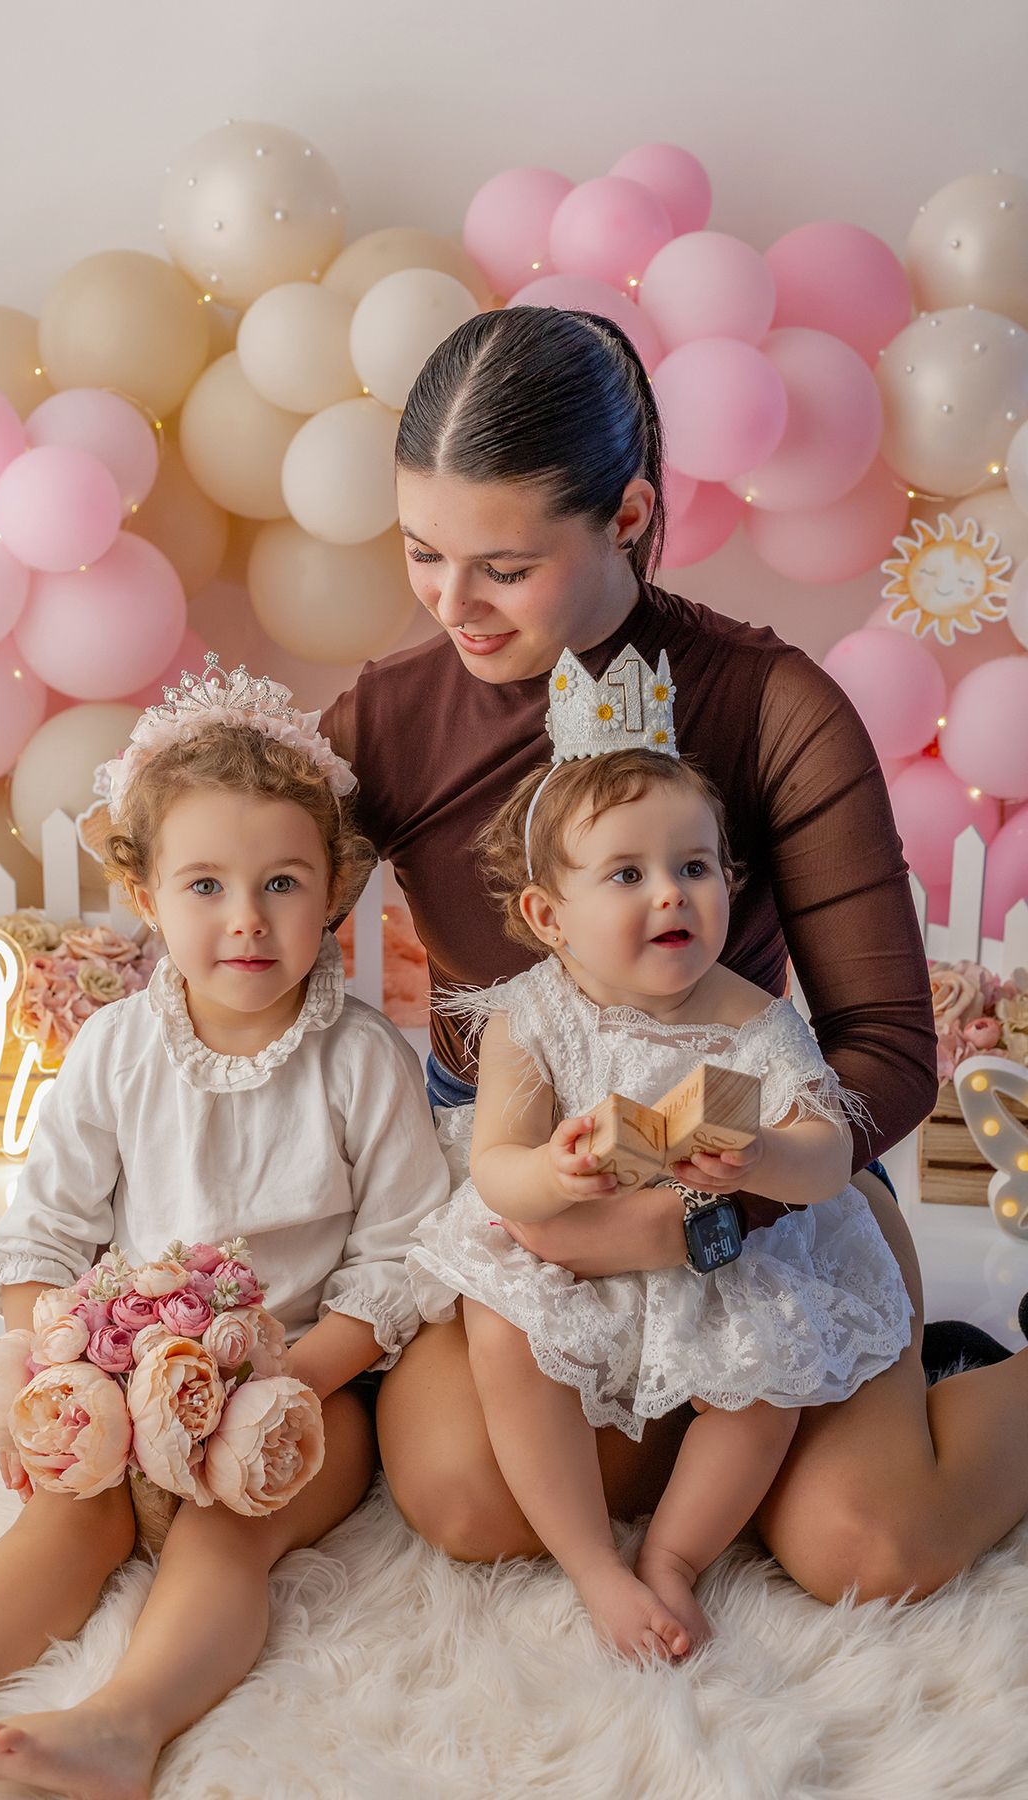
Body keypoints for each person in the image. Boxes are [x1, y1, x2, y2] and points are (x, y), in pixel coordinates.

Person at [322, 305, 1028, 1604]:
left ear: (631, 517)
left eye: (504, 566)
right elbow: (246, 927)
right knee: (473, 1498)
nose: (452, 605)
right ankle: (720, 1446)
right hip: (528, 1181)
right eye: (425, 554)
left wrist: (711, 1214)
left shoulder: (775, 706)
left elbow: (886, 1052)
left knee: (863, 1547)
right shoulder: (389, 716)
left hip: (756, 1177)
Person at [0, 659, 450, 1798]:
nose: (246, 920)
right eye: (206, 886)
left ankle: (126, 1721)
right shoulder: (118, 1051)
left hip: (301, 1390)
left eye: (281, 883)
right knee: (69, 1515)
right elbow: (41, 1233)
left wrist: (292, 1373)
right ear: (143, 892)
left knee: (229, 1526)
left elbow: (401, 1259)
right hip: (129, 1374)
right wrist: (70, 1352)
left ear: (333, 891)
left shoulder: (361, 1060)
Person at [407, 700, 911, 1661]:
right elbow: (497, 1170)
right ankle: (592, 1559)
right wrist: (553, 1169)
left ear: (729, 879)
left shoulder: (755, 1021)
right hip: (572, 1252)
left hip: (722, 1262)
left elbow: (823, 1155)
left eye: (694, 867)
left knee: (775, 1377)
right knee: (503, 1324)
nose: (671, 896)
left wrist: (763, 1157)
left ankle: (676, 1557)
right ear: (549, 918)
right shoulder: (529, 1015)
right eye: (627, 875)